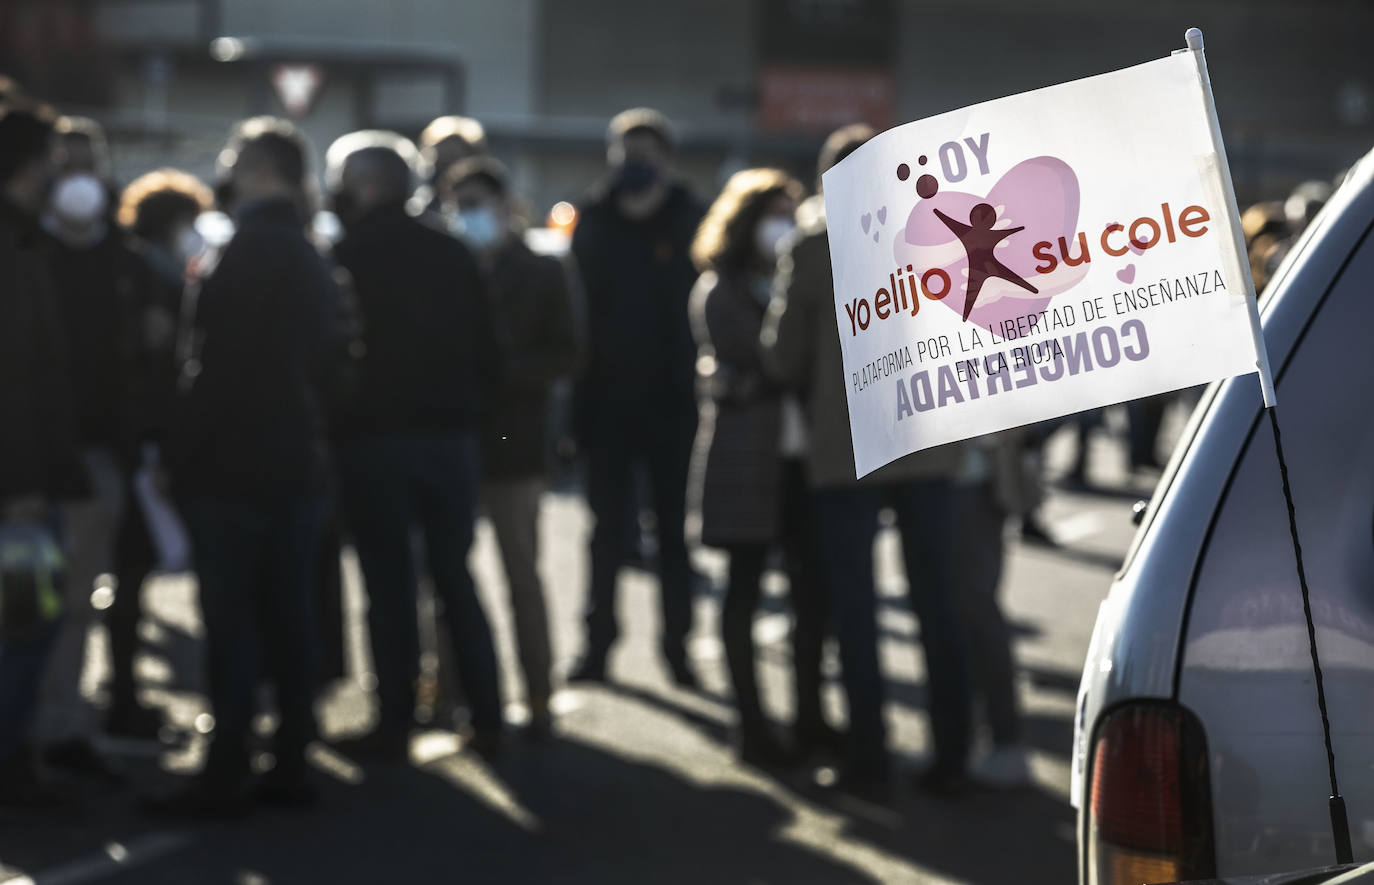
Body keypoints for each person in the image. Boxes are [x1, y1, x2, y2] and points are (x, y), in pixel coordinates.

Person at [761, 124, 971, 799]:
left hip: (846, 450)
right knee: (937, 603)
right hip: (929, 442)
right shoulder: (938, 238)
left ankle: (869, 757)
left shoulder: (815, 249)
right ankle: (953, 752)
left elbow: (782, 356)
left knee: (854, 610)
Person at [153, 117, 341, 816]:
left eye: (236, 160)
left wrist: (178, 454)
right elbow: (331, 364)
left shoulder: (240, 252)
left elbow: (209, 370)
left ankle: (226, 761)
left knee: (231, 620)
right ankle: (290, 754)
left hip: (232, 466)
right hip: (297, 459)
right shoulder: (310, 252)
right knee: (291, 614)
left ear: (261, 170)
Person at [325, 131, 505, 759]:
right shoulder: (453, 252)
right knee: (455, 577)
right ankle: (488, 713)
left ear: (363, 185)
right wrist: (482, 431)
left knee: (388, 585)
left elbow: (331, 355)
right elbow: (491, 355)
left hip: (372, 443)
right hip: (450, 441)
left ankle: (394, 719)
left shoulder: (344, 251)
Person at [687, 168, 839, 766]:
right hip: (747, 458)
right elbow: (777, 364)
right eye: (773, 214)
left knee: (812, 598)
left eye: (790, 212)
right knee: (742, 594)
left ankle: (810, 717)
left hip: (806, 461)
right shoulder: (722, 289)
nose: (783, 226)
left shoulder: (800, 279)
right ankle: (750, 723)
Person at [441, 156, 581, 738]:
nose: (470, 215)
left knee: (520, 571)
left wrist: (502, 371)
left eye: (479, 202)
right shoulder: (447, 269)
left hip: (516, 440)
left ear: (505, 205)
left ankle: (539, 692)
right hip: (452, 438)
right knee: (447, 576)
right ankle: (446, 691)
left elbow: (570, 353)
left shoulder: (542, 269)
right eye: (460, 204)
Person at [567, 108, 705, 687]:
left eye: (645, 157)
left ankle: (678, 648)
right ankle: (597, 647)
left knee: (672, 533)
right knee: (605, 531)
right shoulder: (594, 220)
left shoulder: (693, 221)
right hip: (605, 403)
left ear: (667, 162)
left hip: (674, 405)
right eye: (624, 156)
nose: (633, 168)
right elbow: (577, 317)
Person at [37, 115, 153, 780]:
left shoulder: (126, 264)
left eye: (86, 164)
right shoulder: (26, 253)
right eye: (62, 165)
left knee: (75, 600)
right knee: (26, 603)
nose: (75, 180)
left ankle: (61, 725)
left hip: (98, 456)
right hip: (30, 461)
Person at [0, 99, 89, 810]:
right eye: (58, 164)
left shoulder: (27, 241)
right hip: (17, 491)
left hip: (26, 481)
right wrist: (23, 481)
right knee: (25, 628)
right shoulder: (14, 247)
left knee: (28, 623)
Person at [106, 168, 212, 739]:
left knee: (125, 571)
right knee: (132, 569)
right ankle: (123, 697)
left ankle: (120, 692)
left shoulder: (128, 265)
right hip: (144, 441)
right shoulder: (159, 276)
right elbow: (164, 362)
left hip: (123, 437)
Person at [415, 115, 488, 214]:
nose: (444, 173)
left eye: (452, 161)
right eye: (439, 162)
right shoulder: (420, 206)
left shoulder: (488, 211)